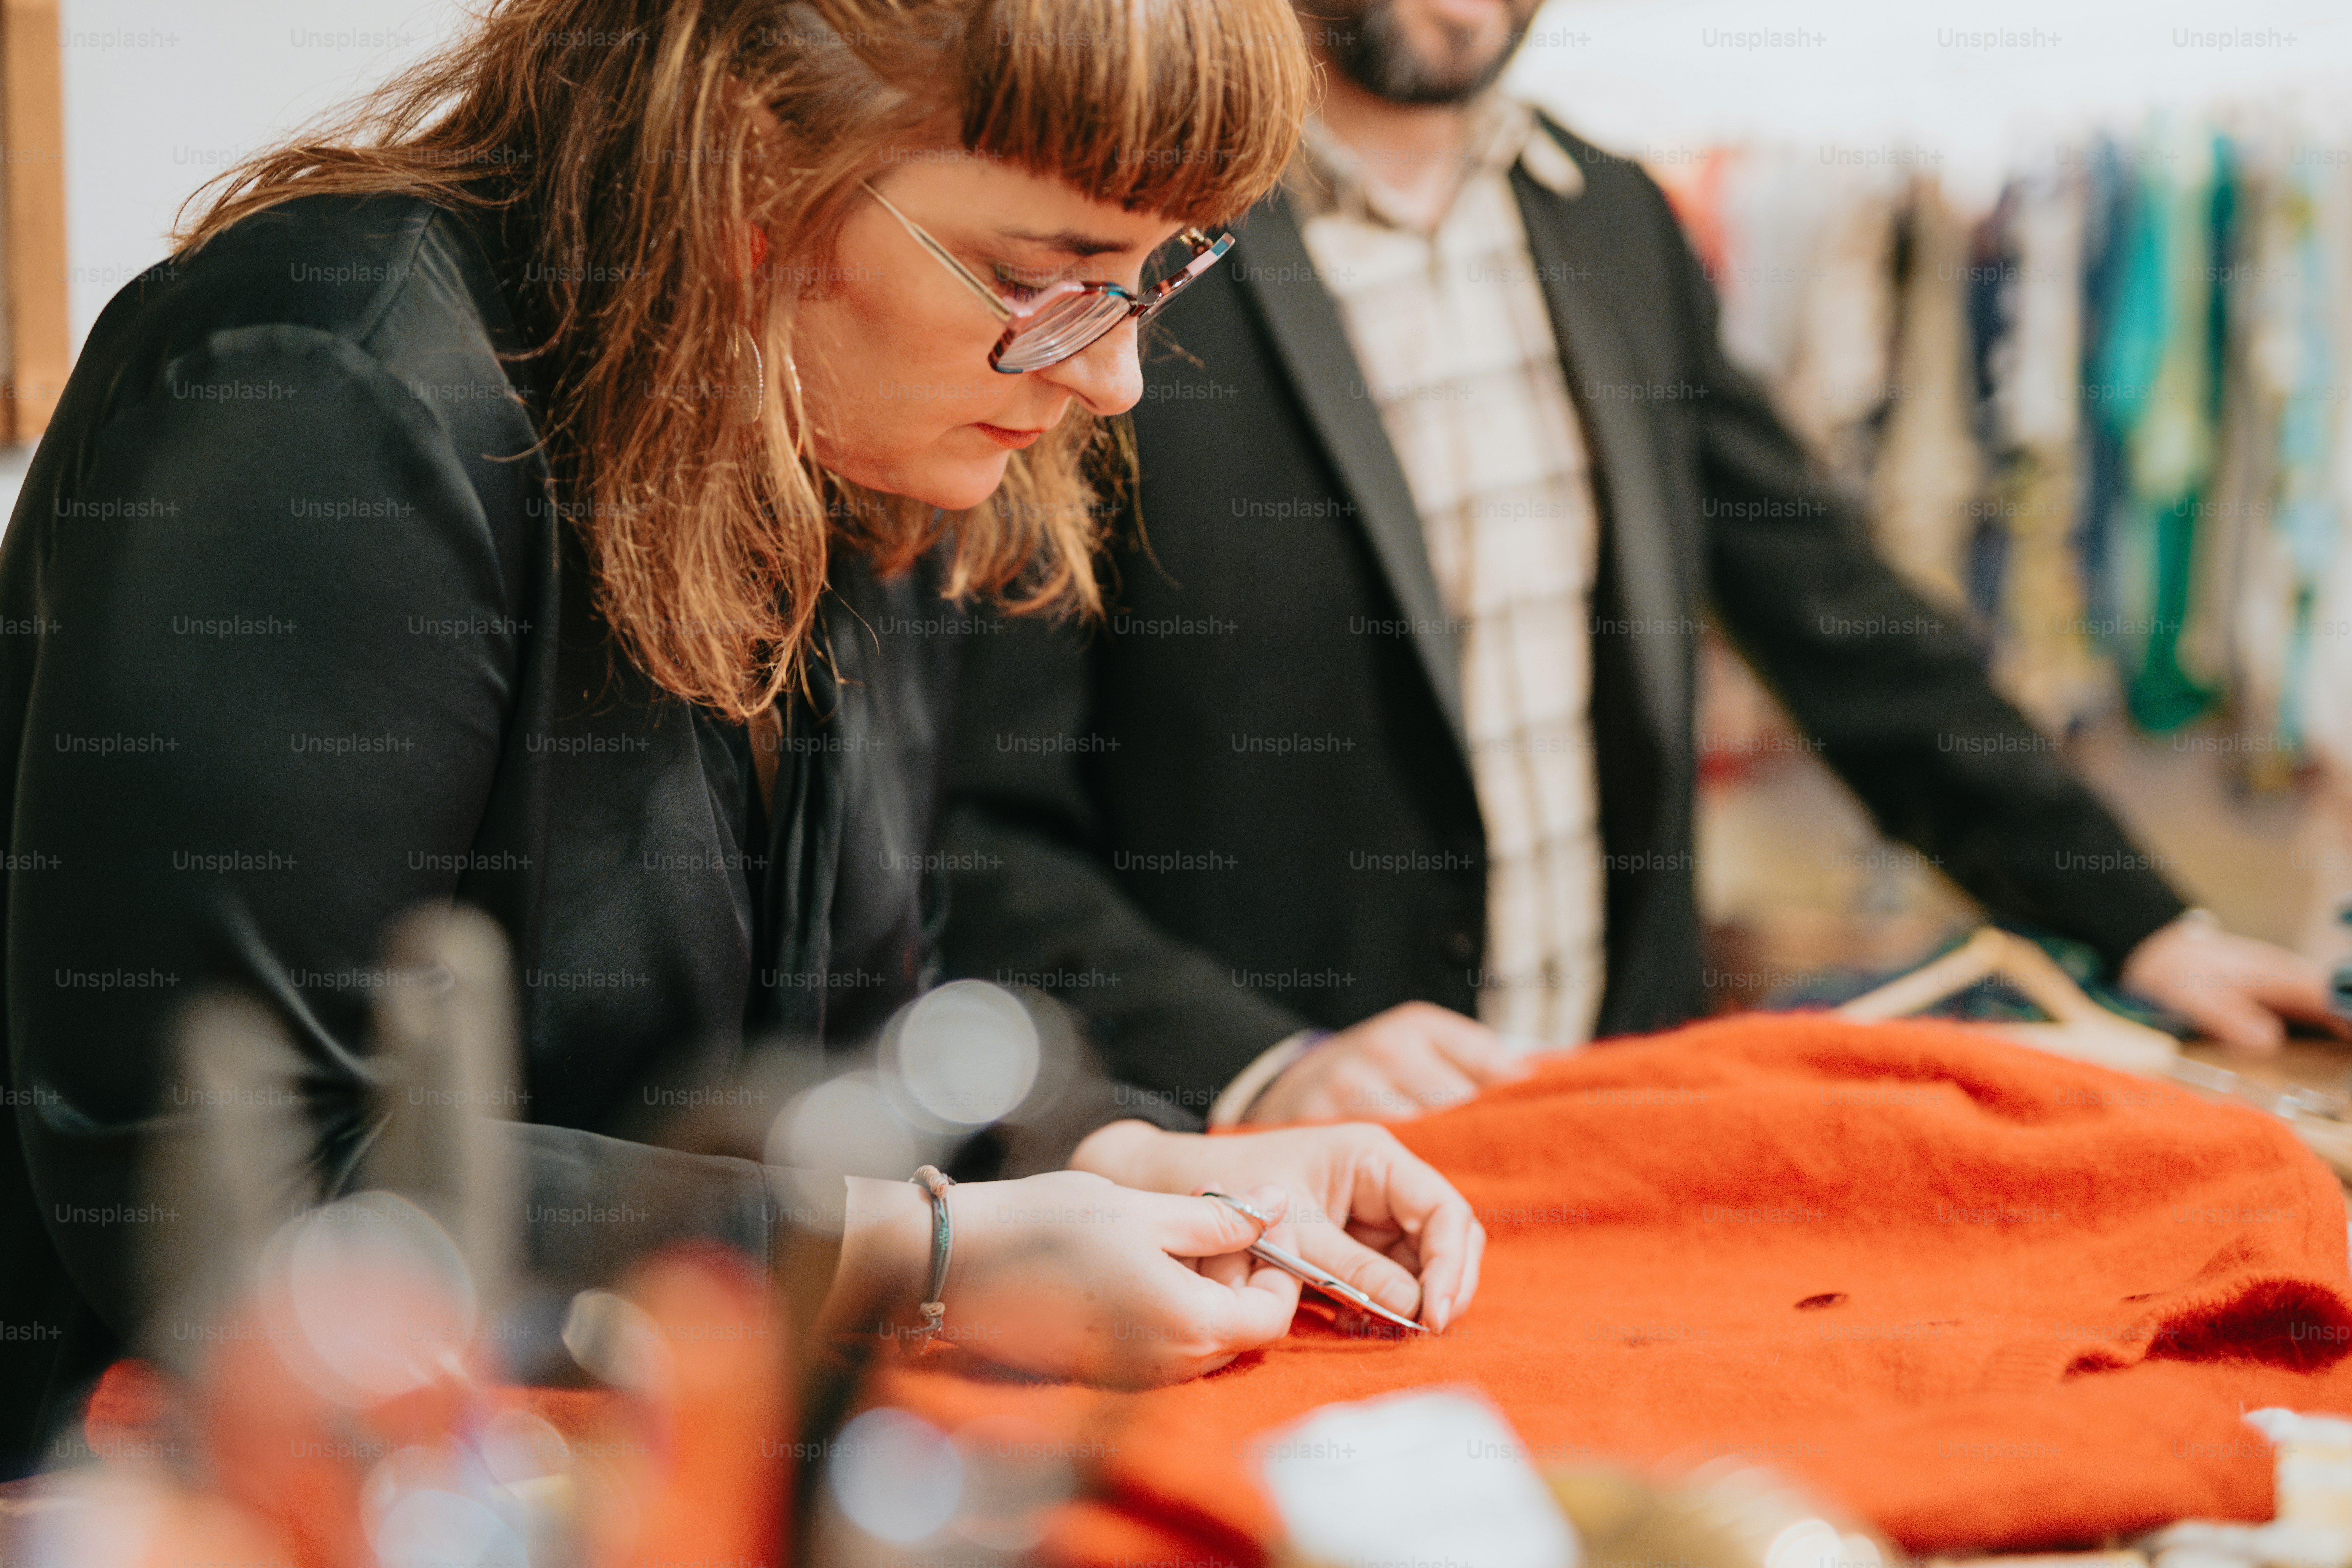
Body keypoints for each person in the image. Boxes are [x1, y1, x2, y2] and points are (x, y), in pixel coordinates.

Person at [0, 0, 1487, 1476]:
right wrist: (919, 1257)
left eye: (1159, 275)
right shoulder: (332, 395)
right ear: (750, 164)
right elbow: (225, 1186)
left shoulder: (839, 410)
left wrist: (1124, 1158)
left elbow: (841, 1039)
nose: (1115, 376)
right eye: (1044, 279)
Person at [938, 0, 2346, 1128]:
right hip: (1278, 1186)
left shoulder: (1609, 216)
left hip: (1618, 1110)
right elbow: (974, 821)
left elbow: (1839, 615)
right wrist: (1259, 1063)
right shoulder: (1128, 247)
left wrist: (2140, 920)